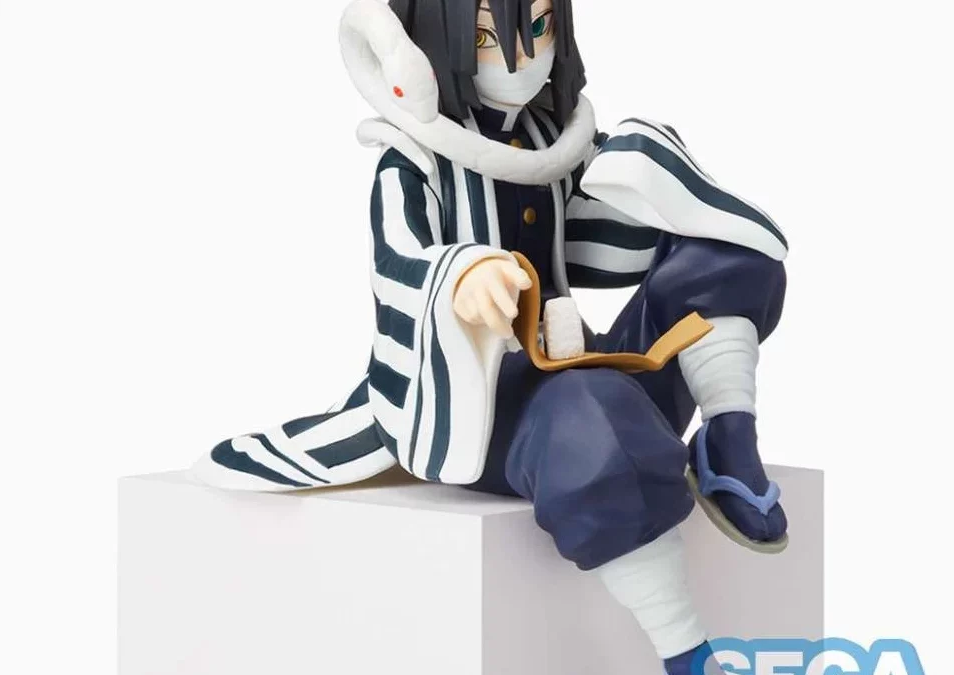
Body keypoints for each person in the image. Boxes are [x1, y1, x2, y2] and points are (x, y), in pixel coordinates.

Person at [192, 1, 790, 673]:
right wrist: (463, 275)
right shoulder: (412, 162)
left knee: (727, 256)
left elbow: (616, 236)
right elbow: (399, 260)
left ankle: (728, 440)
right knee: (595, 423)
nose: (518, 59)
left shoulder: (548, 141)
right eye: (484, 36)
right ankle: (689, 654)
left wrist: (651, 175)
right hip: (493, 406)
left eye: (538, 28)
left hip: (587, 367)